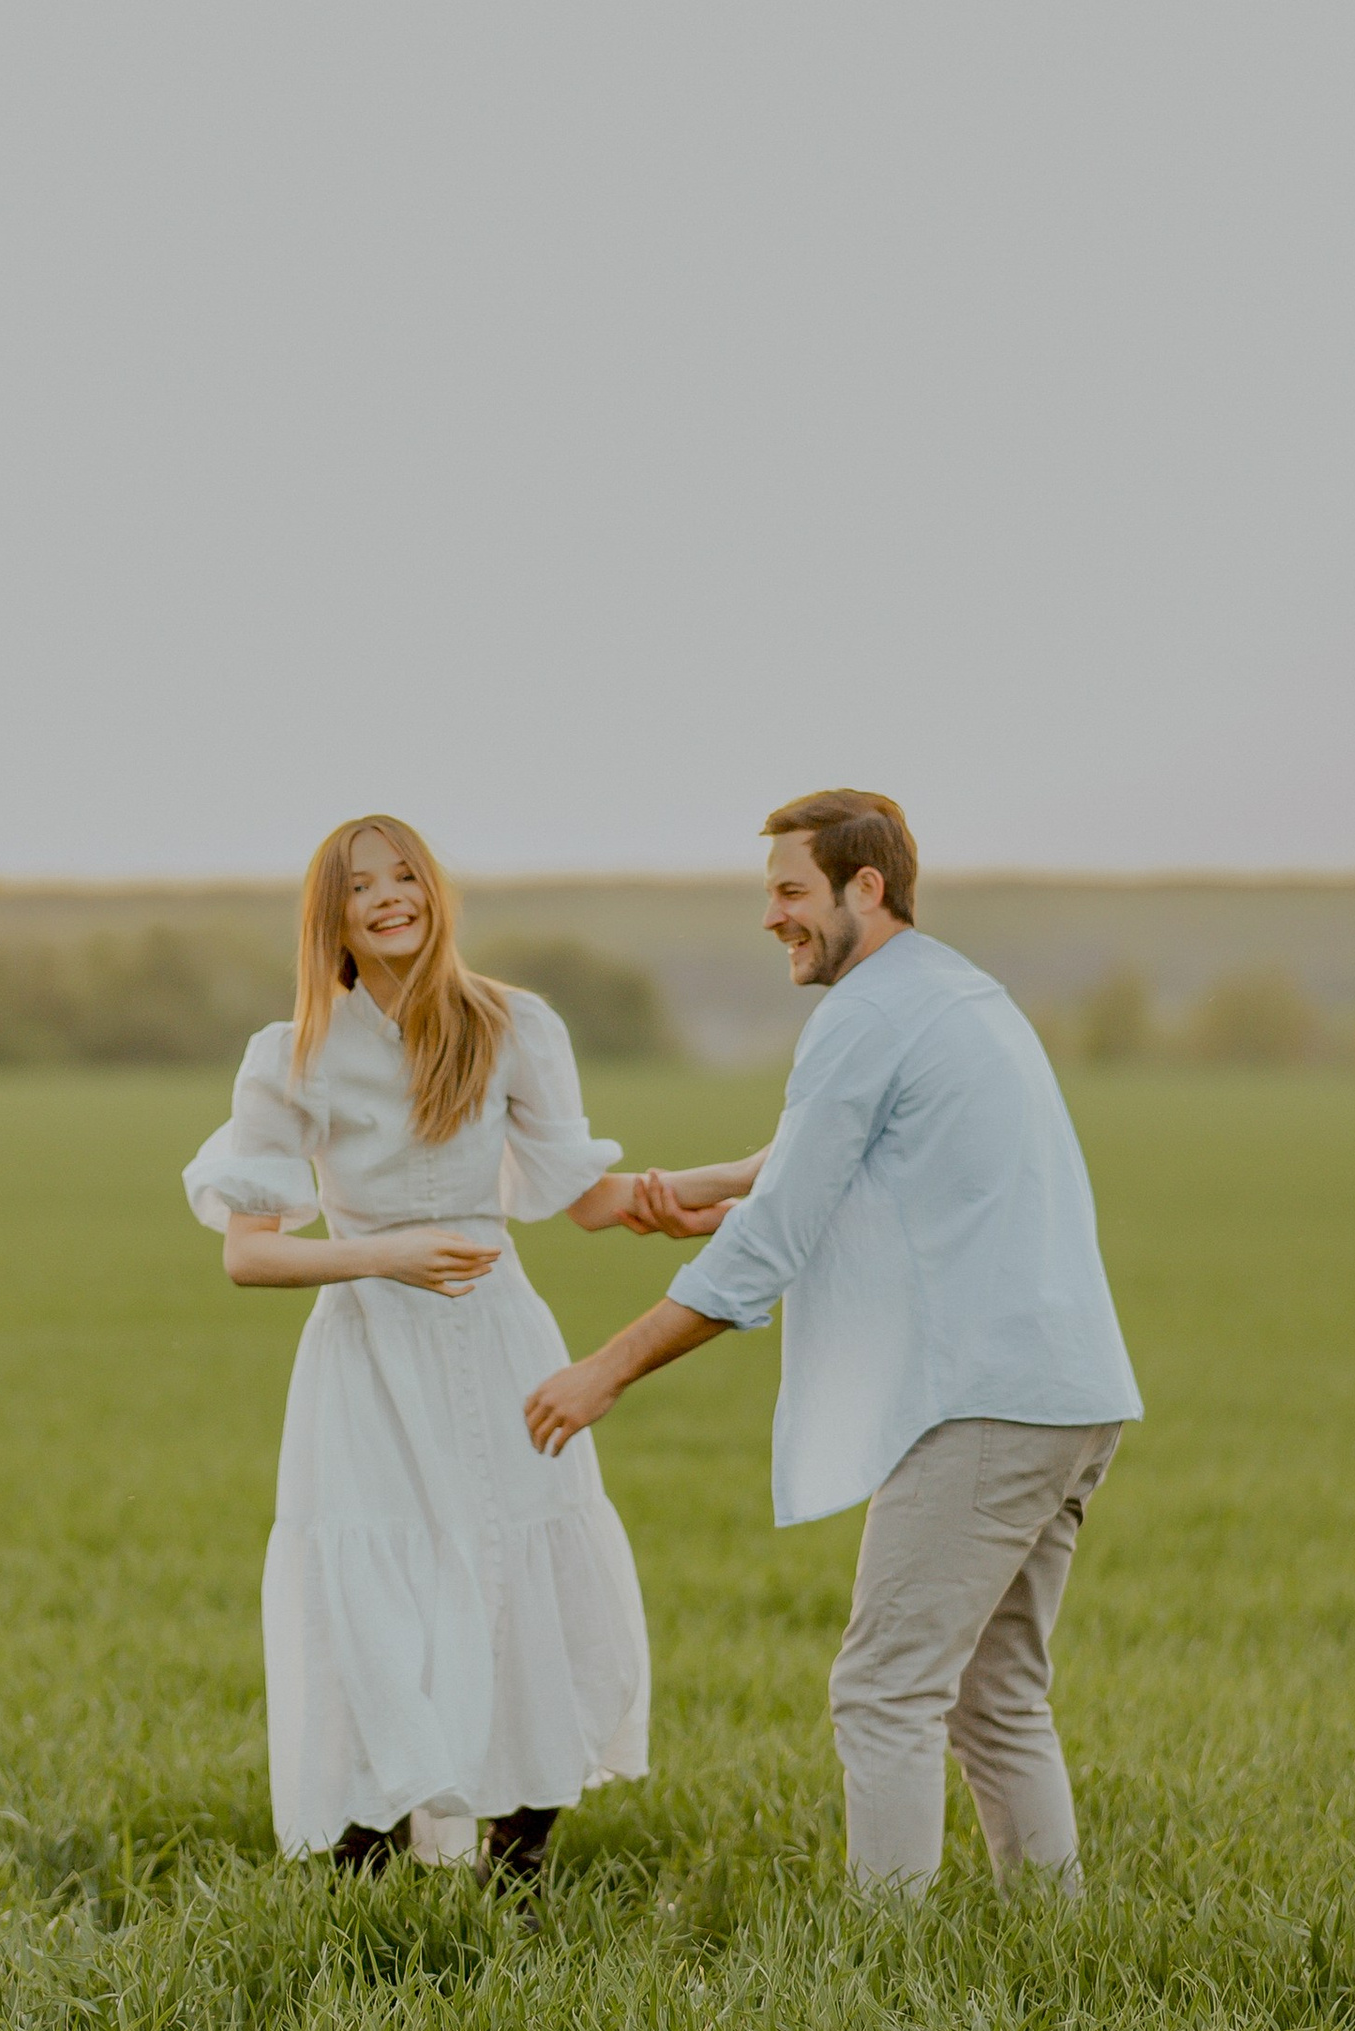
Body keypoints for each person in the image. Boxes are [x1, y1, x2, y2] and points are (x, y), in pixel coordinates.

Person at [526, 790, 1139, 1892]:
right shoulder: (957, 992)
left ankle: (884, 1962)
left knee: (883, 1692)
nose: (772, 917)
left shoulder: (866, 1014)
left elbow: (769, 1245)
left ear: (867, 885)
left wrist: (603, 1370)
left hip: (982, 1401)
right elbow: (816, 1151)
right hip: (1068, 1390)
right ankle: (1058, 1944)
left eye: (790, 891)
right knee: (996, 1698)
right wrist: (687, 1194)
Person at [184, 816, 652, 1898]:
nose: (390, 896)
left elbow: (586, 1196)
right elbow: (248, 1255)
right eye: (363, 885)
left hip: (500, 1339)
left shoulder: (510, 1023)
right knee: (373, 1598)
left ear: (434, 892)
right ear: (333, 916)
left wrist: (738, 1184)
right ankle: (367, 1874)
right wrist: (382, 1254)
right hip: (367, 1355)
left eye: (406, 876)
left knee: (525, 1574)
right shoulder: (292, 1055)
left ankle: (517, 1870)